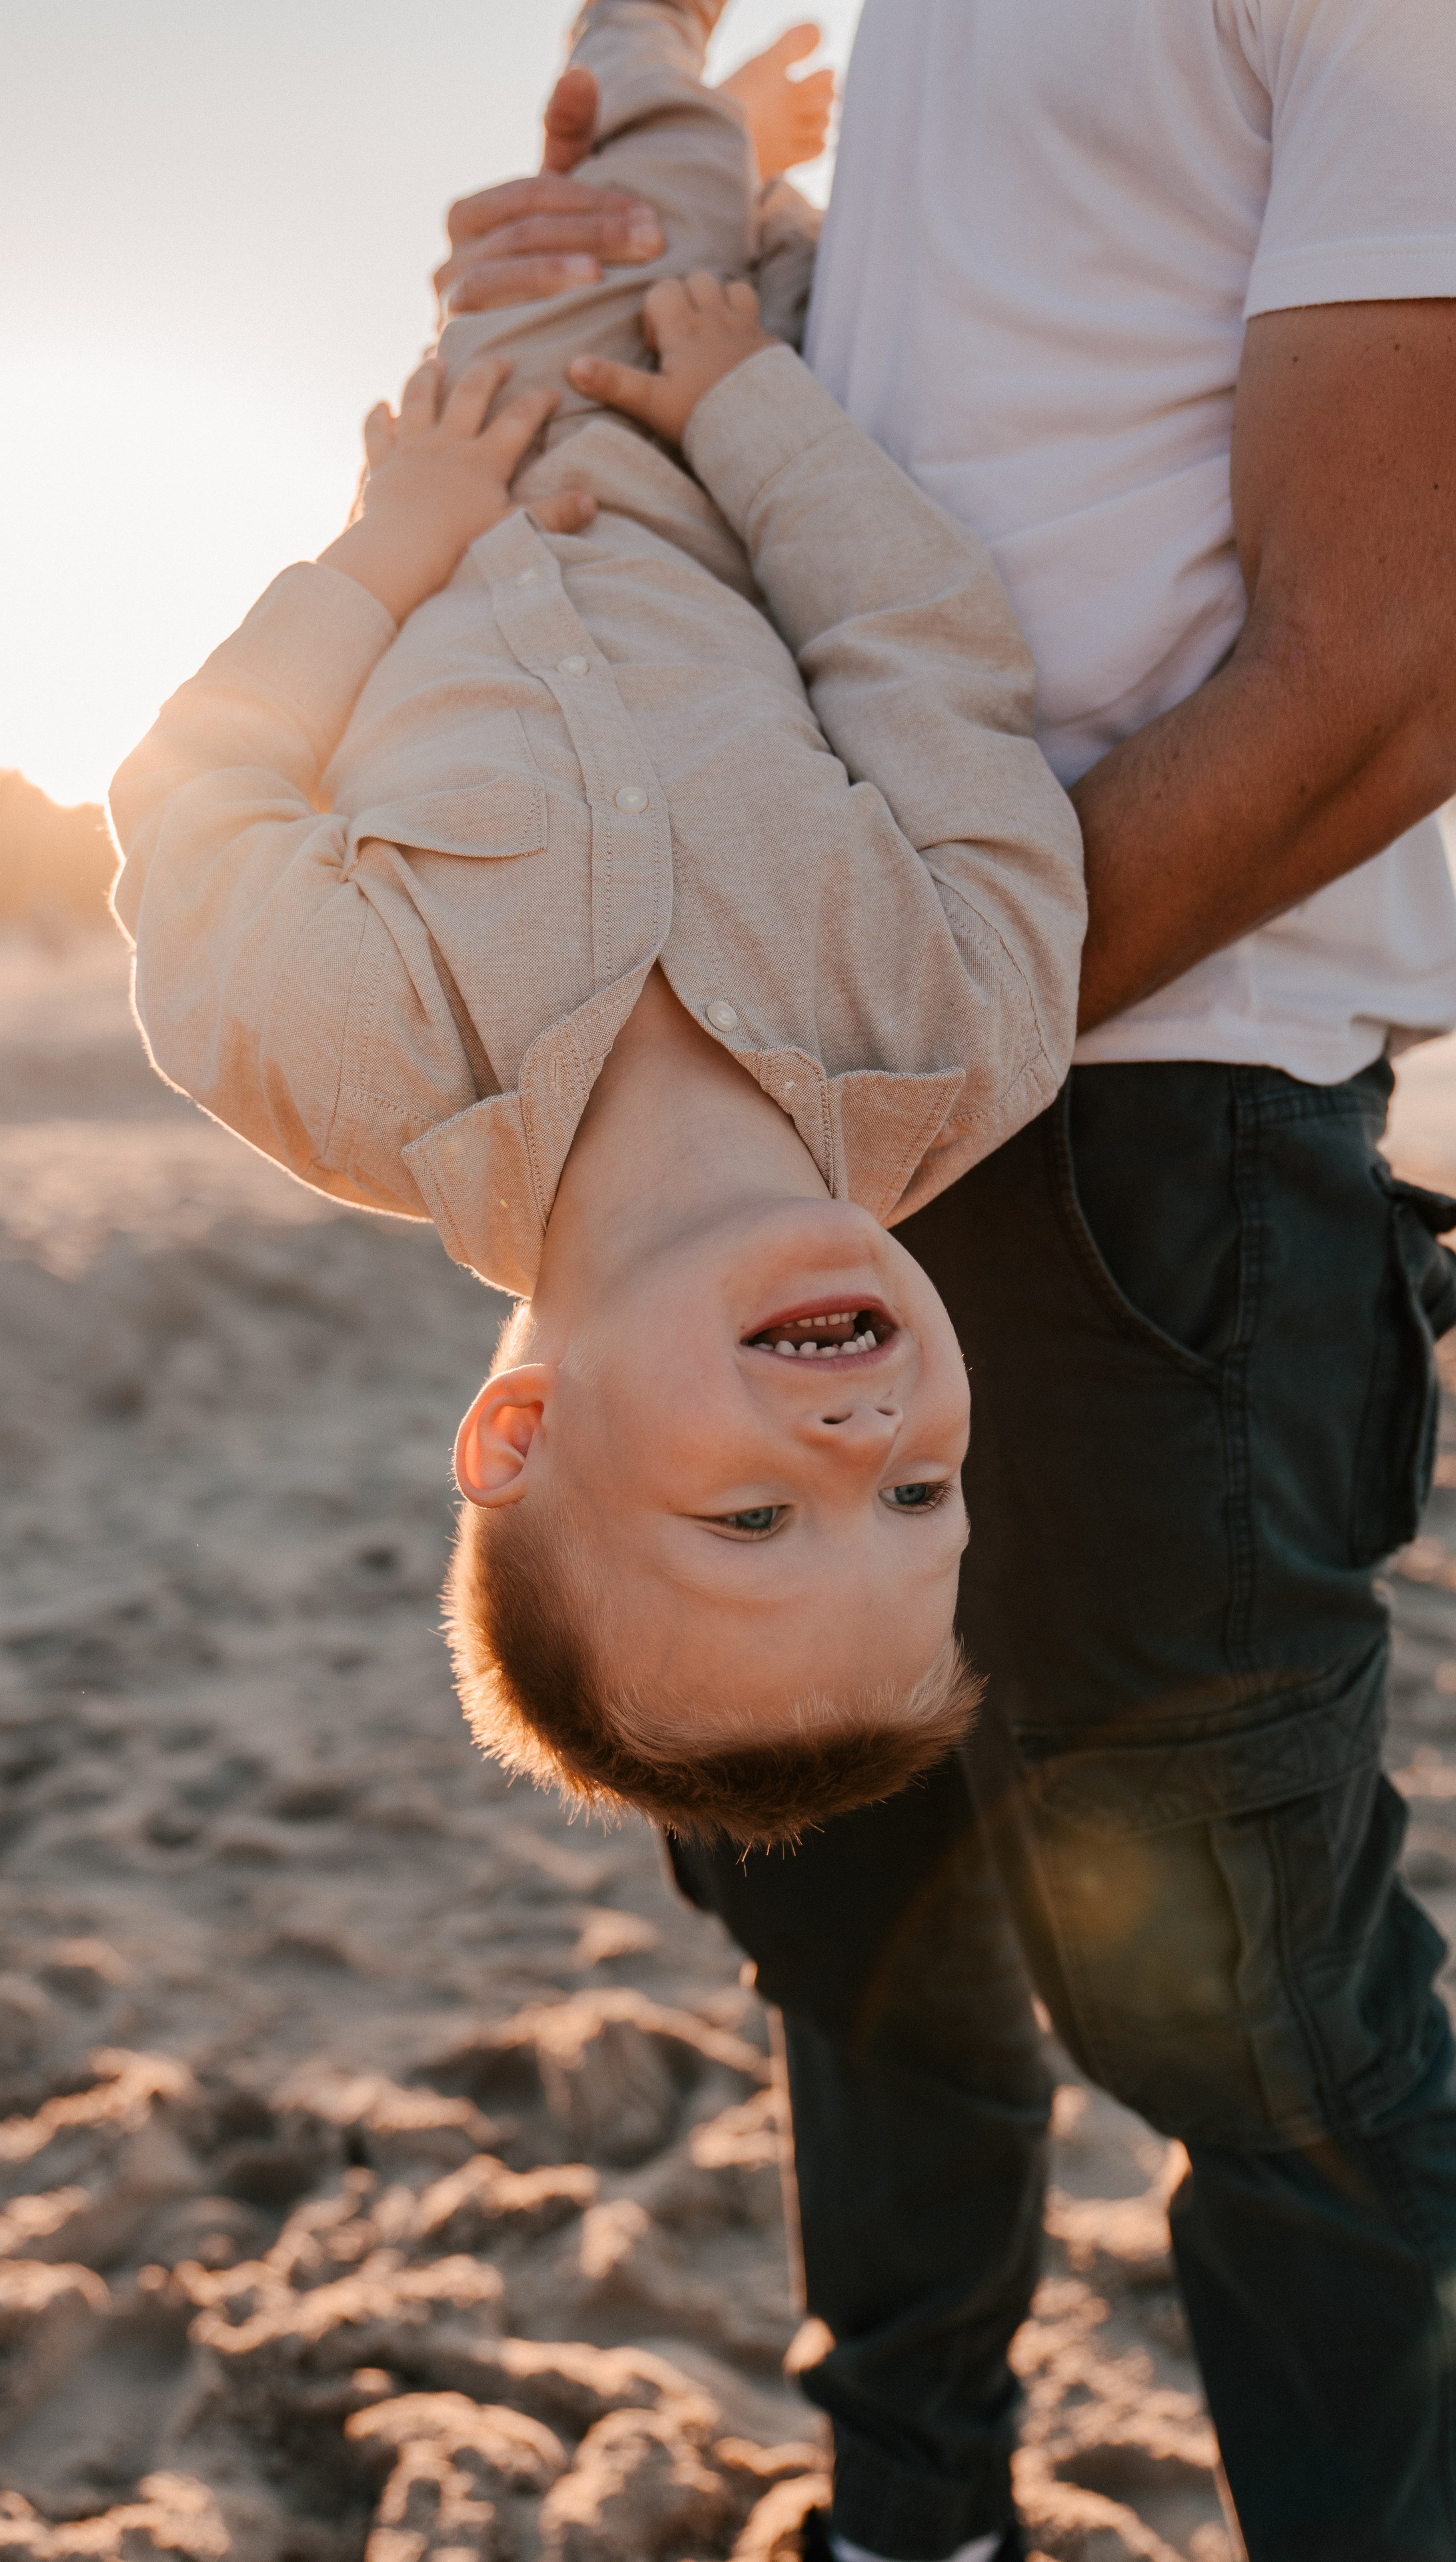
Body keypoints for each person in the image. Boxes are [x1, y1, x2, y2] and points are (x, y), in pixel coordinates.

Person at [437, 3, 1456, 2557]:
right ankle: (915, 2517)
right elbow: (933, 446)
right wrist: (659, 237)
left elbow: (1388, 668)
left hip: (1154, 1118)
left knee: (1258, 2030)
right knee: (842, 1918)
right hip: (810, 1117)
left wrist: (870, 1026)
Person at [107, 0, 1084, 1848]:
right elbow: (929, 664)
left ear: (520, 1439)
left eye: (753, 1523)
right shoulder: (969, 1031)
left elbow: (195, 804)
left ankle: (649, 43)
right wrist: (751, 417)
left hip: (474, 436)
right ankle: (727, 154)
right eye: (926, 1501)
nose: (863, 1454)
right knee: (708, 242)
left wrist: (391, 540)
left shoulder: (350, 1070)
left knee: (633, 200)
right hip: (713, 422)